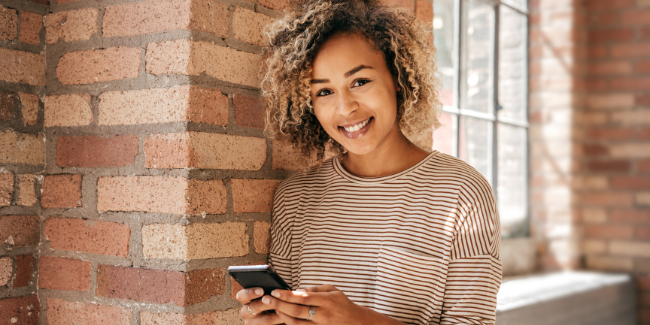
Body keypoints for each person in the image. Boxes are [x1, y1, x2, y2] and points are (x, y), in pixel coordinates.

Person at [235, 0, 502, 324]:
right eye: (324, 92)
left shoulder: (461, 193)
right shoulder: (295, 198)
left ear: (398, 76)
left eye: (359, 82)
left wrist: (358, 320)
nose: (345, 107)